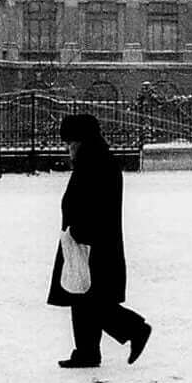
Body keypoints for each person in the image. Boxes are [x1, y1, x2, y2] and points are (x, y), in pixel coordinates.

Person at [47, 114, 151, 369]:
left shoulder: (95, 162)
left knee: (89, 298)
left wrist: (80, 232)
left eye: (70, 142)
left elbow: (94, 203)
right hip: (87, 239)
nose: (67, 147)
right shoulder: (93, 159)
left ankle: (135, 328)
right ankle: (86, 351)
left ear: (82, 139)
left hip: (91, 241)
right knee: (80, 294)